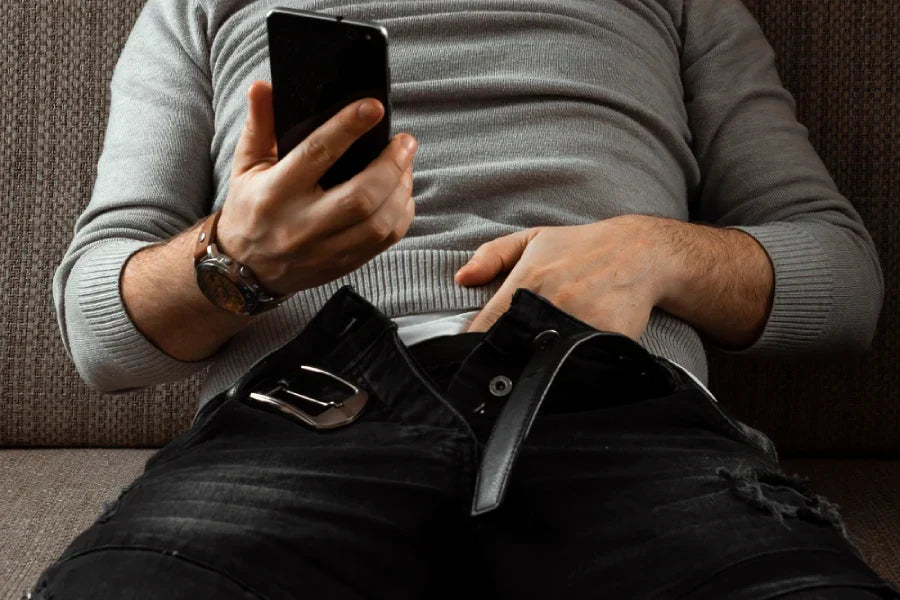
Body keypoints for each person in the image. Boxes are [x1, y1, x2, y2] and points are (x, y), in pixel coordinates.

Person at [30, 0, 895, 597]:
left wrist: (652, 253)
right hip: (311, 404)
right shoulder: (197, 7)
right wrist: (237, 260)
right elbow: (99, 336)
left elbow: (844, 278)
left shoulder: (682, 7)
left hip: (604, 396)